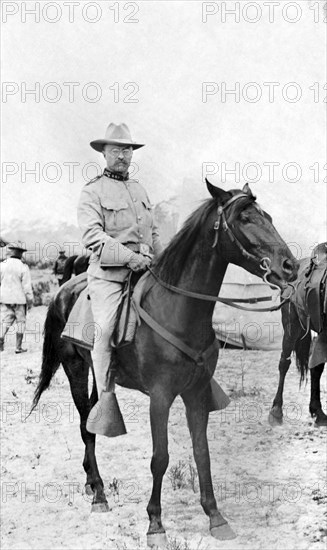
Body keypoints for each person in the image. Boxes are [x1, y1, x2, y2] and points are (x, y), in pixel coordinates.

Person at [78, 123, 163, 420]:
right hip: (109, 276)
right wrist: (129, 258)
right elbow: (92, 236)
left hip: (146, 271)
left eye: (127, 149)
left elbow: (152, 234)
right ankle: (105, 400)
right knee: (103, 331)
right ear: (103, 153)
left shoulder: (139, 189)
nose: (122, 155)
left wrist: (163, 261)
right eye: (115, 149)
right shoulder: (92, 191)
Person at [0, 242, 34, 353]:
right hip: (19, 300)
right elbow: (27, 287)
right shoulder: (23, 267)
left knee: (5, 321)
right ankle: (18, 347)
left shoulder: (2, 264)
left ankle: (0, 342)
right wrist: (30, 301)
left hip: (5, 298)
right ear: (20, 253)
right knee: (21, 322)